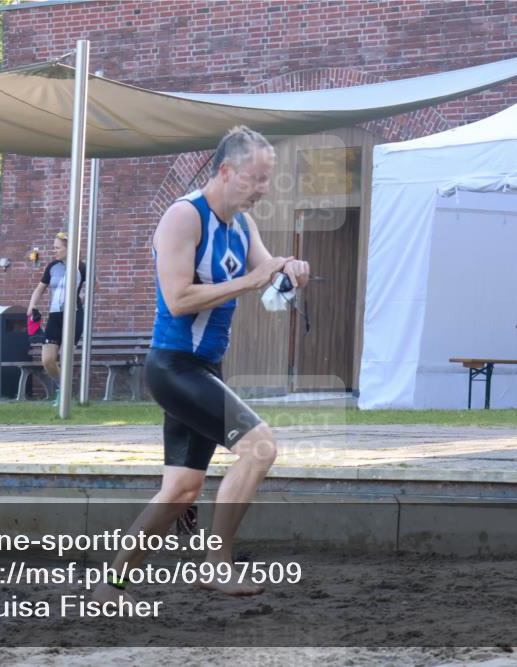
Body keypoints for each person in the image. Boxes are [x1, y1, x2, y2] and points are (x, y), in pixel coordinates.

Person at [93, 126, 310, 603]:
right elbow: (177, 300)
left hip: (205, 370)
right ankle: (217, 566)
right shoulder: (183, 217)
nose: (263, 189)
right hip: (173, 367)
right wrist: (253, 280)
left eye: (267, 179)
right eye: (255, 178)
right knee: (260, 448)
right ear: (226, 170)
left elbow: (266, 268)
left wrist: (289, 270)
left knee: (182, 491)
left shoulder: (241, 224)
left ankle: (113, 581)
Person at [27, 231, 86, 405]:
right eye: (54, 248)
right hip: (55, 316)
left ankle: (65, 396)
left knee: (65, 356)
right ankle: (62, 388)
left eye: (57, 248)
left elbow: (94, 284)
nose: (54, 251)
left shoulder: (81, 267)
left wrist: (84, 294)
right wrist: (32, 305)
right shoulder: (52, 266)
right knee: (47, 360)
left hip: (74, 315)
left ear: (69, 249)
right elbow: (40, 288)